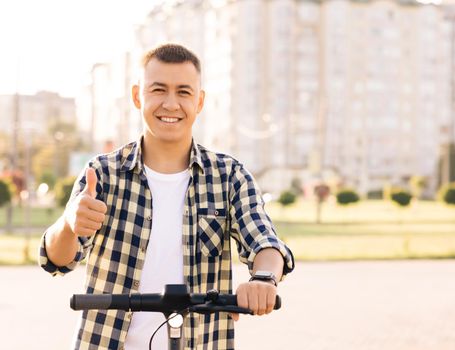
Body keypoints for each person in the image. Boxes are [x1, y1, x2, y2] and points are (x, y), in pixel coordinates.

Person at [39, 43, 294, 350]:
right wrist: (69, 224)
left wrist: (264, 279)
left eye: (183, 92)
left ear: (199, 101)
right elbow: (57, 261)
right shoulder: (103, 173)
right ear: (138, 96)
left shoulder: (229, 175)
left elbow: (265, 241)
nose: (171, 104)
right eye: (158, 90)